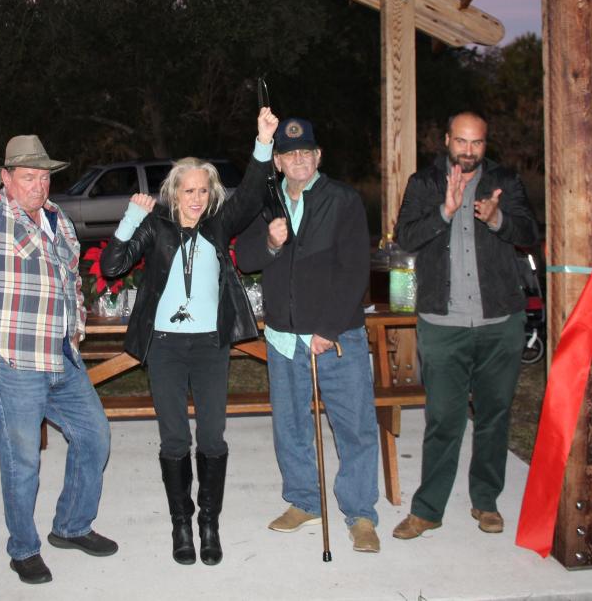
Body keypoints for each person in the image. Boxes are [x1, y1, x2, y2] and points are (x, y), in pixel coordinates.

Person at [100, 106, 278, 566]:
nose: (196, 198)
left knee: (213, 439)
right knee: (175, 440)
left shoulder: (218, 225)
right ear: (173, 192)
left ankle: (209, 523)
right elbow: (111, 267)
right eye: (188, 190)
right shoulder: (156, 226)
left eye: (203, 190)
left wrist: (262, 142)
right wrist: (128, 222)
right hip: (165, 346)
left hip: (210, 346)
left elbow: (255, 192)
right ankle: (181, 524)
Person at [0, 115, 116, 585]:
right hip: (15, 363)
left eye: (44, 176)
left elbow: (71, 279)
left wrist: (78, 325)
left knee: (95, 437)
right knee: (22, 462)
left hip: (62, 358)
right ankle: (23, 548)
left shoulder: (58, 218)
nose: (39, 185)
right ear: (6, 178)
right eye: (28, 176)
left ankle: (72, 526)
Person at [235, 117, 382, 554]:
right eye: (289, 154)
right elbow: (243, 257)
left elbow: (356, 269)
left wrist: (328, 328)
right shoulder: (265, 203)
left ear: (318, 156)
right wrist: (271, 242)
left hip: (336, 338)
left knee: (354, 426)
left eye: (306, 152)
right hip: (283, 338)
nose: (298, 159)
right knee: (291, 426)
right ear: (277, 161)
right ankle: (303, 500)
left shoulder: (343, 200)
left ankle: (360, 514)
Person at [391, 110, 540, 540]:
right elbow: (406, 236)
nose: (469, 151)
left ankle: (486, 501)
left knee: (494, 414)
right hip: (442, 322)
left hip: (500, 320)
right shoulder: (424, 183)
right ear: (446, 140)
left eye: (477, 143)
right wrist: (444, 211)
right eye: (462, 142)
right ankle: (428, 509)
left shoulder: (505, 181)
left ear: (485, 144)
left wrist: (497, 220)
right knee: (444, 419)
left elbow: (529, 231)